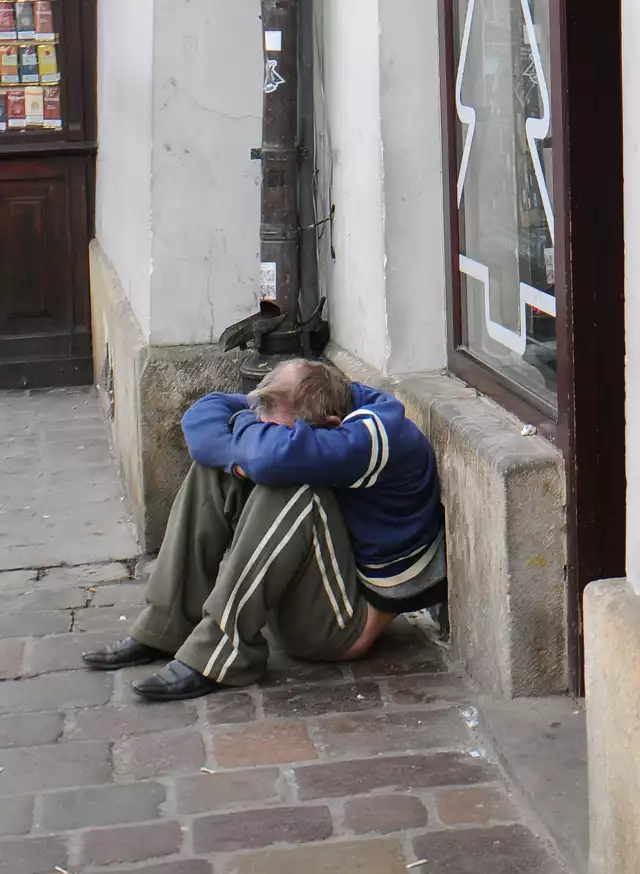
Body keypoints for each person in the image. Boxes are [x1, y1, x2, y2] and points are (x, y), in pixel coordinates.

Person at [82, 360, 447, 701]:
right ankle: (164, 628)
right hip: (313, 590)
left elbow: (270, 458)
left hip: (339, 627)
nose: (262, 425)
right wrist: (245, 446)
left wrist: (246, 436)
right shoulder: (306, 398)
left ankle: (221, 655)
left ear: (330, 425)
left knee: (292, 488)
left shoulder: (374, 436)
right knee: (216, 467)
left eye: (281, 432)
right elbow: (203, 413)